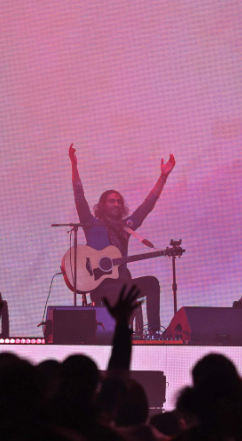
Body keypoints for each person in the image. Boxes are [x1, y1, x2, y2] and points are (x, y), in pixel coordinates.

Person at [69, 143, 175, 334]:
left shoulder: (127, 228)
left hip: (122, 284)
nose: (117, 204)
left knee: (152, 283)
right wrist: (74, 166)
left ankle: (153, 332)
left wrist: (163, 176)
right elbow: (79, 197)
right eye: (112, 201)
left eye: (119, 201)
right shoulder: (91, 225)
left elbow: (147, 205)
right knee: (124, 295)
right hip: (101, 286)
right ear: (102, 205)